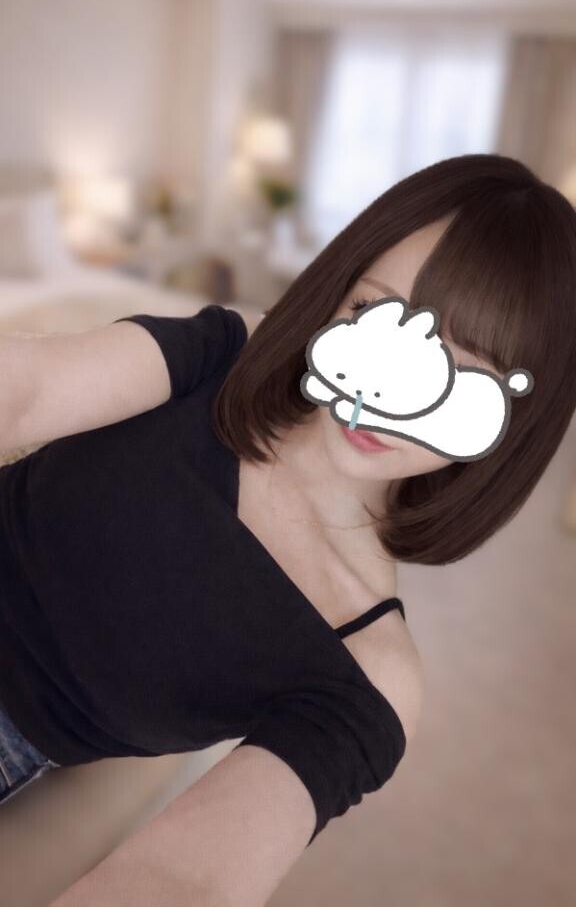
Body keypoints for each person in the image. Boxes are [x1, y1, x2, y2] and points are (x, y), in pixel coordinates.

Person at [1, 152, 575, 907]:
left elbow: (186, 882)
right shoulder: (225, 353)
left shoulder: (368, 668)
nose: (385, 391)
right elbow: (27, 390)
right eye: (373, 313)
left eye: (461, 372)